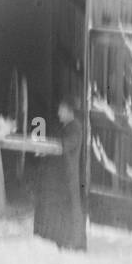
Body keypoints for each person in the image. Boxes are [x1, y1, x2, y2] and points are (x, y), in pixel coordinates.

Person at [33, 94, 87, 251]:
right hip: (61, 176)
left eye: (61, 110)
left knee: (69, 211)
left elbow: (65, 145)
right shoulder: (65, 126)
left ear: (70, 111)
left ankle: (72, 243)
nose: (58, 113)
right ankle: (57, 239)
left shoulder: (75, 127)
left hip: (67, 176)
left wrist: (48, 148)